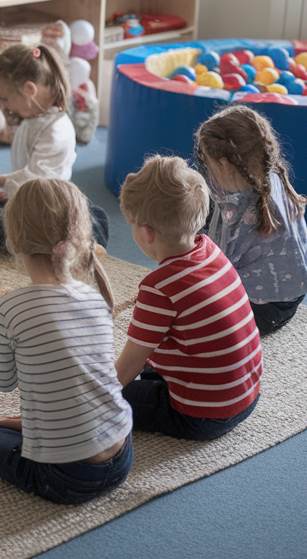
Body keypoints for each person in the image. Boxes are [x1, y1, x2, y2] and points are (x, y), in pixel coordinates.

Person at [0, 178, 132, 504]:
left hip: (67, 479)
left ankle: (31, 448)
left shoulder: (6, 308)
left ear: (12, 240)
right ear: (81, 235)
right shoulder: (95, 298)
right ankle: (34, 428)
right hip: (122, 456)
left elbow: (3, 382)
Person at [115, 155, 262, 440]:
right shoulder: (210, 250)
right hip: (247, 396)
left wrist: (94, 398)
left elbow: (130, 363)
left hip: (202, 415)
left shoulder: (159, 288)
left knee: (105, 397)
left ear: (146, 232)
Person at [0, 44, 109, 251]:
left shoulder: (56, 131)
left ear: (29, 90)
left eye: (4, 99)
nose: (3, 106)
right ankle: (51, 242)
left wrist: (5, 181)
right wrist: (3, 194)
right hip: (29, 202)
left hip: (46, 207)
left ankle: (52, 247)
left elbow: (38, 183)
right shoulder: (34, 117)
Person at [195, 104, 307, 335]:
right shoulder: (274, 177)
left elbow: (213, 268)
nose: (208, 172)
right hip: (290, 298)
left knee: (188, 316)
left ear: (224, 165)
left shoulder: (244, 212)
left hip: (260, 310)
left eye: (210, 165)